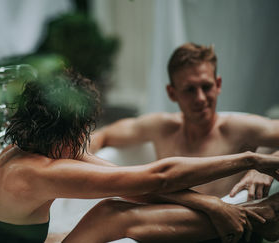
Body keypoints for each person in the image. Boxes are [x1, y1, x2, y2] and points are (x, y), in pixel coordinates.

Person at [0, 68, 279, 243]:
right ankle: (260, 219)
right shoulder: (37, 173)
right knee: (114, 216)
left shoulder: (32, 149)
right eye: (82, 131)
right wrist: (252, 160)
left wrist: (211, 203)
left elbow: (134, 184)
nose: (84, 140)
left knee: (113, 208)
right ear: (65, 133)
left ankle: (254, 218)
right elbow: (159, 176)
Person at [90, 42, 279, 200]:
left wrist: (265, 168)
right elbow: (104, 135)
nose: (200, 98)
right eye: (189, 89)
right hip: (169, 225)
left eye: (206, 87)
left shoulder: (238, 129)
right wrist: (81, 155)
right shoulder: (162, 128)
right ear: (172, 93)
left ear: (218, 85)